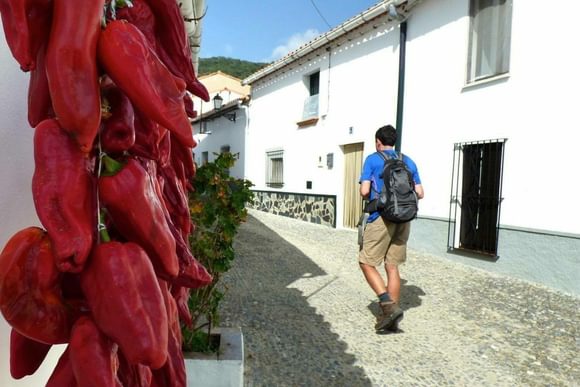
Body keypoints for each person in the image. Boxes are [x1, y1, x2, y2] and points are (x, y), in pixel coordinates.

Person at [358, 124, 424, 332]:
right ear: (393, 141)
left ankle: (387, 305)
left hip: (381, 217)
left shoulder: (372, 159)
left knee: (366, 263)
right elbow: (420, 193)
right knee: (392, 266)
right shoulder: (408, 161)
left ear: (378, 141)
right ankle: (391, 320)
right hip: (404, 219)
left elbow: (364, 190)